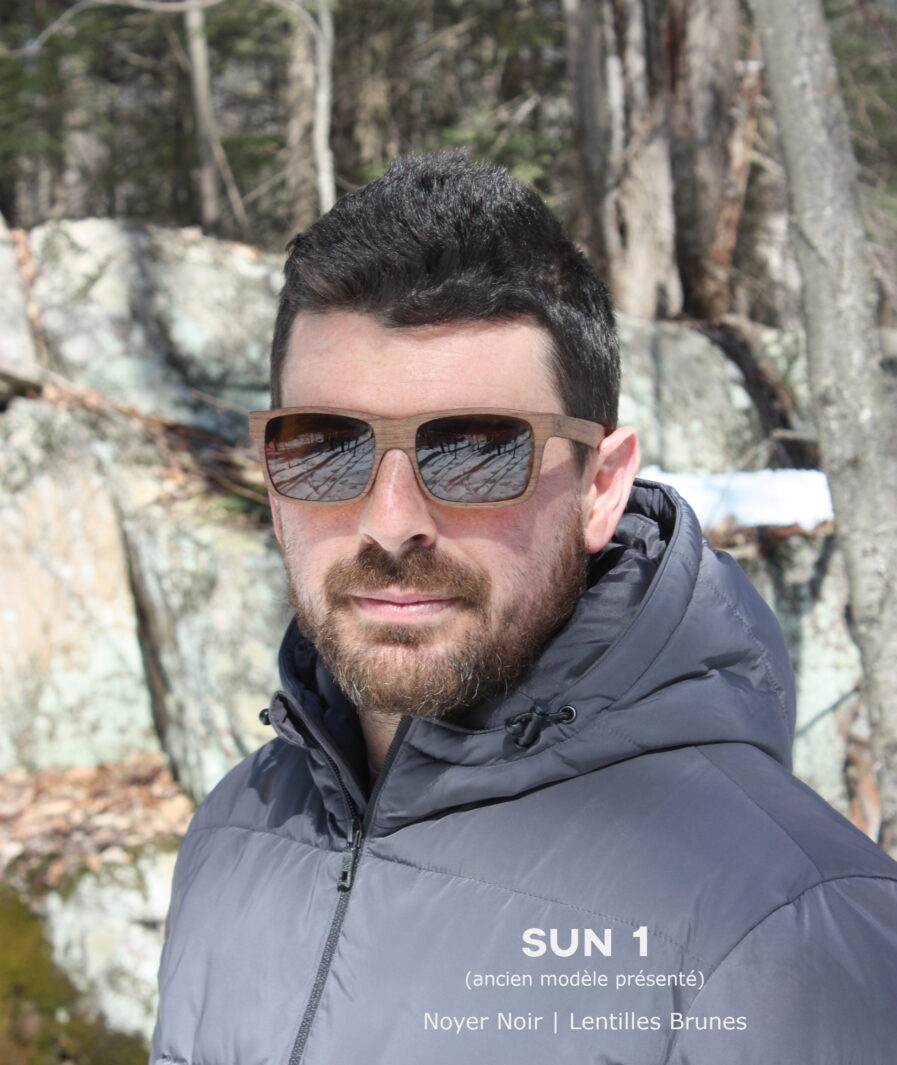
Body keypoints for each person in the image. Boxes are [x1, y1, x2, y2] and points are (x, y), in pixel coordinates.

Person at [151, 153, 897, 1065]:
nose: (392, 523)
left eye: (474, 452)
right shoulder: (236, 833)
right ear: (273, 485)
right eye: (325, 448)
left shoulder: (788, 929)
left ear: (602, 486)